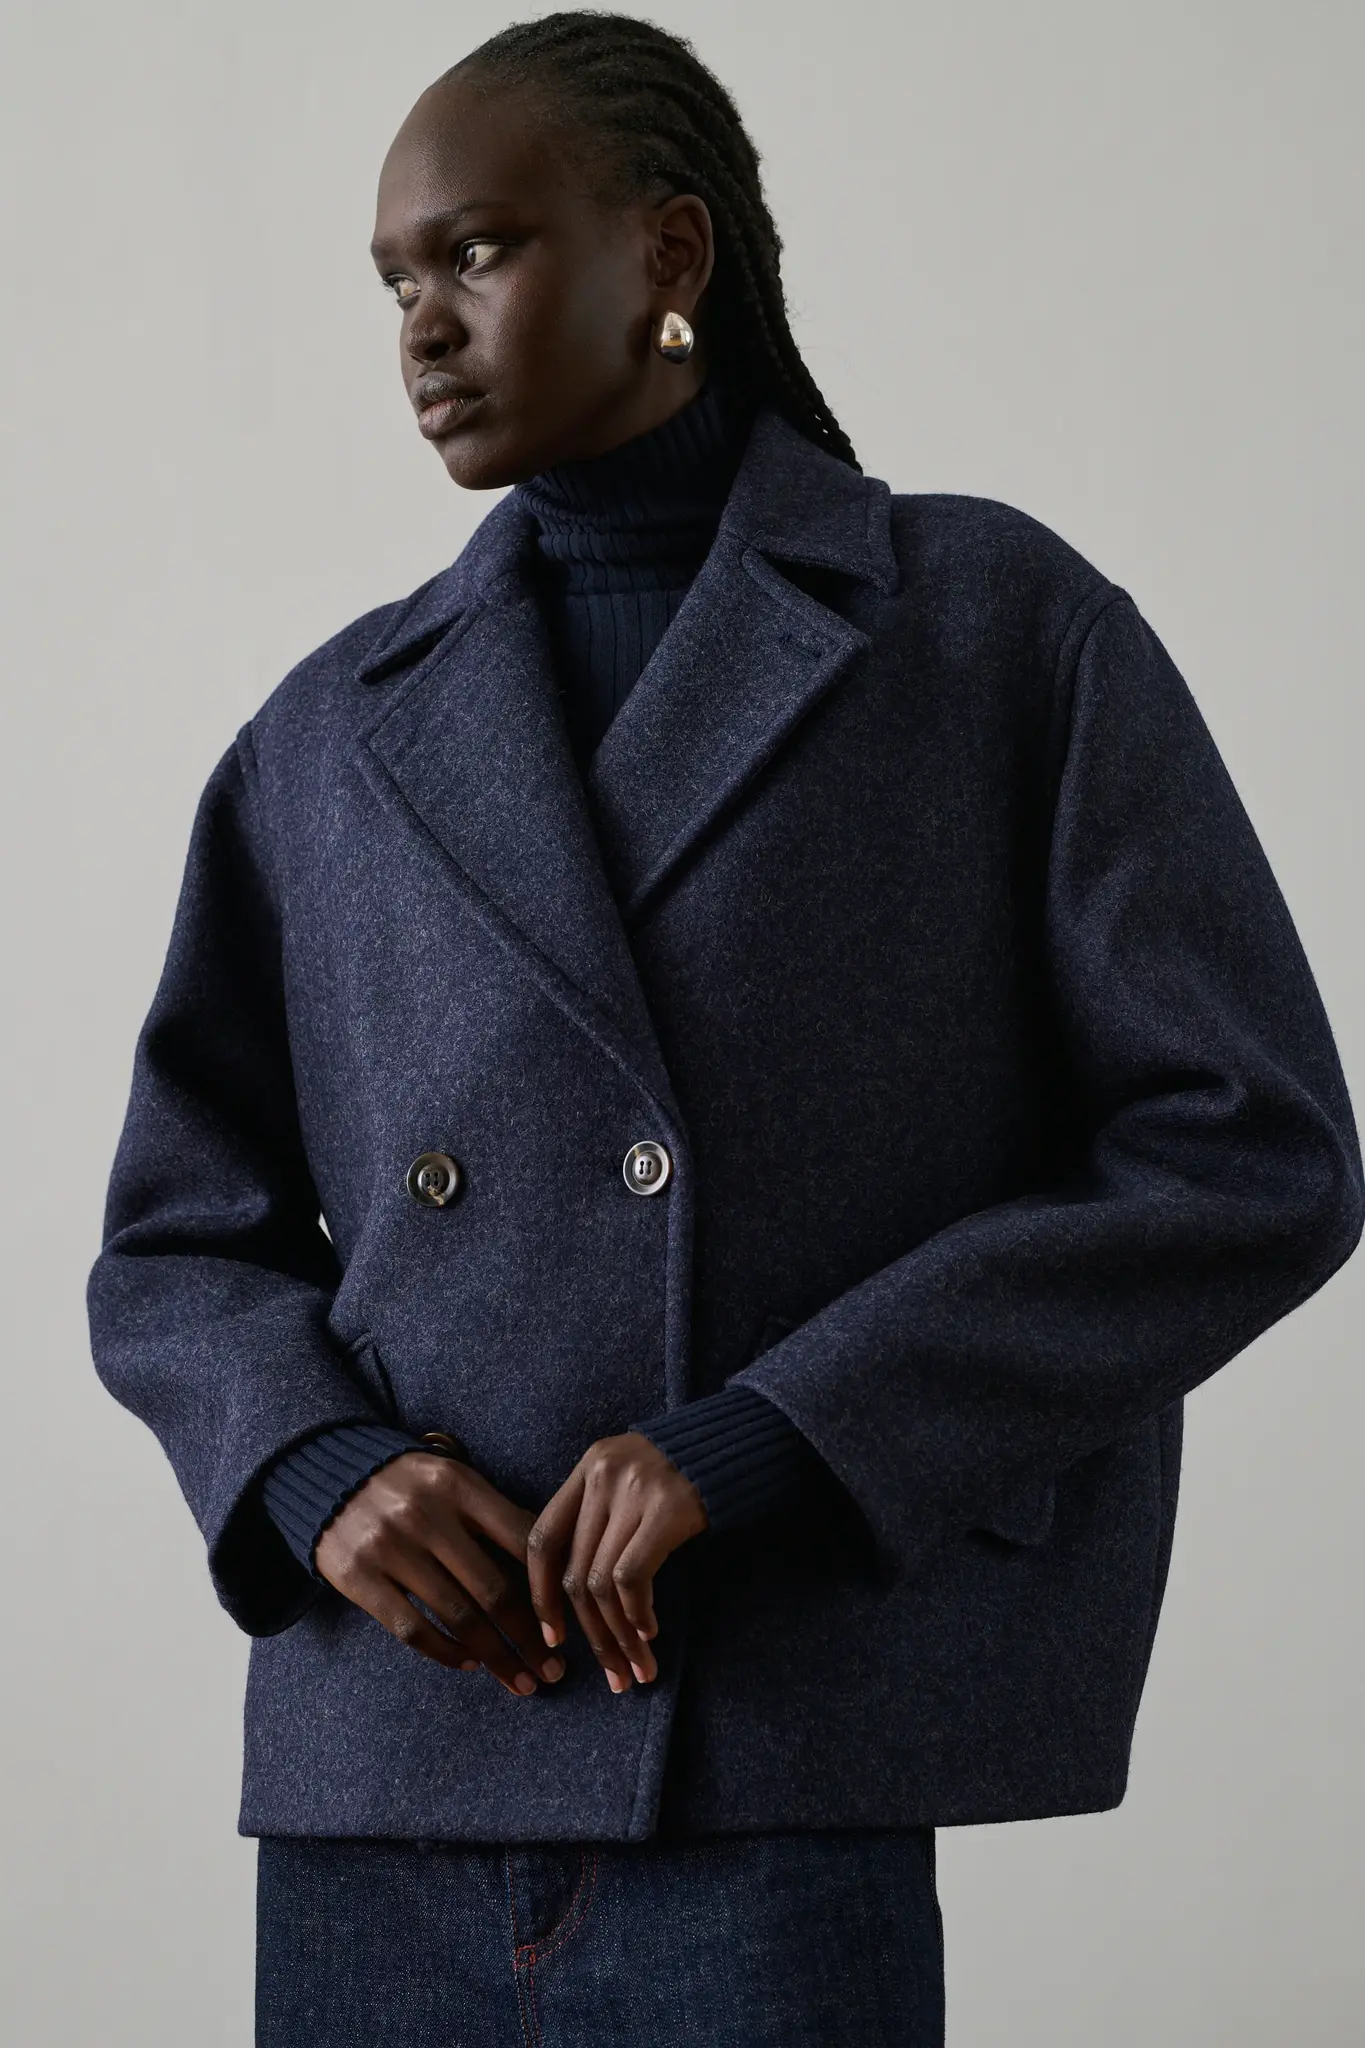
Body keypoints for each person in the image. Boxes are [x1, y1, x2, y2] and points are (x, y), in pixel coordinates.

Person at [87, 13, 1363, 2045]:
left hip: (773, 1741)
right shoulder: (327, 734)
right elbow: (174, 1238)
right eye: (396, 282)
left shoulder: (984, 631)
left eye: (480, 251)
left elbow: (1247, 1153)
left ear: (669, 255)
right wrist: (316, 1462)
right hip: (386, 1762)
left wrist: (775, 1437)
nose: (424, 328)